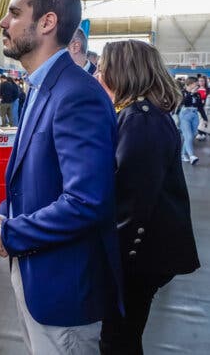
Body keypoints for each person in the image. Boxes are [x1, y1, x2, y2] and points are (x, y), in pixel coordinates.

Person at [0, 0, 122, 354]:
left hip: (64, 289)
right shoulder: (41, 87)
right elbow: (33, 178)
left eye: (15, 13)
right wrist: (2, 214)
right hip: (35, 275)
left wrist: (11, 235)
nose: (3, 23)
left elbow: (86, 201)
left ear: (47, 22)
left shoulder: (76, 94)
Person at [95, 39, 200, 355]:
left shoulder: (140, 119)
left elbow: (131, 201)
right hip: (144, 255)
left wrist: (108, 259)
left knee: (118, 340)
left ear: (122, 73)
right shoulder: (140, 114)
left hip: (138, 257)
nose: (97, 76)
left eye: (102, 69)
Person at [178, 76, 207, 165]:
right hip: (184, 114)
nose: (197, 85)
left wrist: (205, 118)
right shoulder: (182, 92)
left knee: (193, 135)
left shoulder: (197, 94)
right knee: (189, 136)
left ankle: (183, 154)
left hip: (195, 115)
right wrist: (190, 94)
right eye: (195, 84)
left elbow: (200, 107)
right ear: (190, 84)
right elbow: (183, 102)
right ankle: (191, 156)